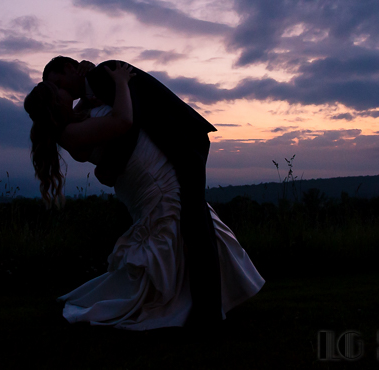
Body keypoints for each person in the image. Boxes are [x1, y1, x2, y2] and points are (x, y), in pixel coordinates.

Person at [24, 62, 264, 329]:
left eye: (57, 82)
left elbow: (116, 123)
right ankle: (198, 307)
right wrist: (121, 83)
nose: (60, 89)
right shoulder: (77, 122)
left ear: (70, 69)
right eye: (56, 90)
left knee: (191, 225)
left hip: (166, 157)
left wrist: (106, 164)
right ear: (55, 104)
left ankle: (203, 303)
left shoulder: (83, 105)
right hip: (151, 175)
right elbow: (125, 121)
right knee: (189, 226)